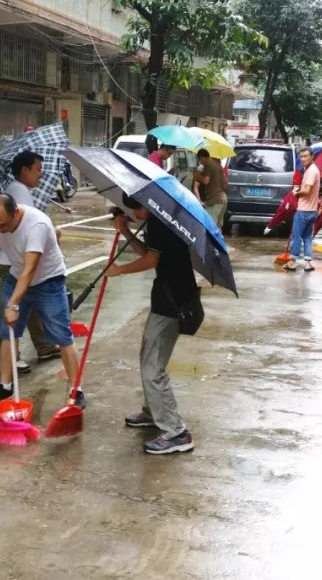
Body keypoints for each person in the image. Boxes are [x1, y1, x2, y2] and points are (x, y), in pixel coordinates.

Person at [0, 194, 84, 406]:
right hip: (17, 275)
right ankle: (5, 385)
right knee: (8, 332)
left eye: (4, 225)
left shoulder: (37, 224)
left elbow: (30, 269)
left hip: (48, 280)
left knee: (62, 336)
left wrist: (13, 304)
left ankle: (76, 390)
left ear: (16, 212)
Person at [106, 194, 196, 455]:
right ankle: (152, 412)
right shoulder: (159, 220)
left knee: (152, 367)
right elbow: (148, 252)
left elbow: (149, 261)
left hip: (173, 303)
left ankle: (176, 431)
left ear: (145, 205)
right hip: (167, 299)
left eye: (136, 210)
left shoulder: (160, 223)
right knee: (148, 357)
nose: (136, 215)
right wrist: (125, 231)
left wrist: (119, 270)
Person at [0, 150, 61, 376]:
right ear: (25, 170)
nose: (40, 175)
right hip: (12, 262)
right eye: (38, 170)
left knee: (27, 305)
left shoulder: (19, 190)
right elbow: (24, 231)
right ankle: (12, 357)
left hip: (17, 260)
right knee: (11, 307)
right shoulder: (18, 193)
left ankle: (44, 347)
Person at [287, 147, 320, 272]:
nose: (304, 159)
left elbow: (306, 191)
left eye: (306, 156)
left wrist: (296, 193)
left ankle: (293, 261)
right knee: (307, 237)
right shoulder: (311, 170)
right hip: (312, 210)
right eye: (302, 156)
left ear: (312, 156)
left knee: (297, 236)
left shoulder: (311, 171)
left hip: (304, 210)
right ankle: (307, 263)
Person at [194, 149, 228, 228]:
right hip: (223, 199)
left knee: (210, 226)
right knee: (218, 227)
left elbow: (206, 181)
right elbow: (226, 183)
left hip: (214, 201)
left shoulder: (208, 165)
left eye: (199, 159)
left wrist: (198, 176)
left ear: (202, 157)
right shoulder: (218, 165)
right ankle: (219, 240)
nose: (200, 162)